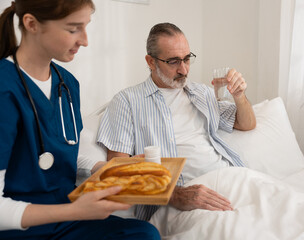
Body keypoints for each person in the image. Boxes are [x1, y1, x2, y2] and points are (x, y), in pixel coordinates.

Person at [0, 1, 160, 239]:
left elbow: (64, 153)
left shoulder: (67, 84)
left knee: (144, 233)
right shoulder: (5, 88)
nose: (85, 40)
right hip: (19, 227)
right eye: (74, 29)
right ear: (31, 24)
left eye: (86, 27)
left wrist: (108, 169)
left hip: (66, 219)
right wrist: (74, 210)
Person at [97, 22, 256, 220]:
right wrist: (175, 195)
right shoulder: (127, 101)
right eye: (173, 61)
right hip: (181, 200)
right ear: (151, 61)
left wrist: (239, 96)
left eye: (187, 59)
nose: (183, 69)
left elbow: (246, 123)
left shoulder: (202, 93)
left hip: (232, 179)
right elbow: (117, 169)